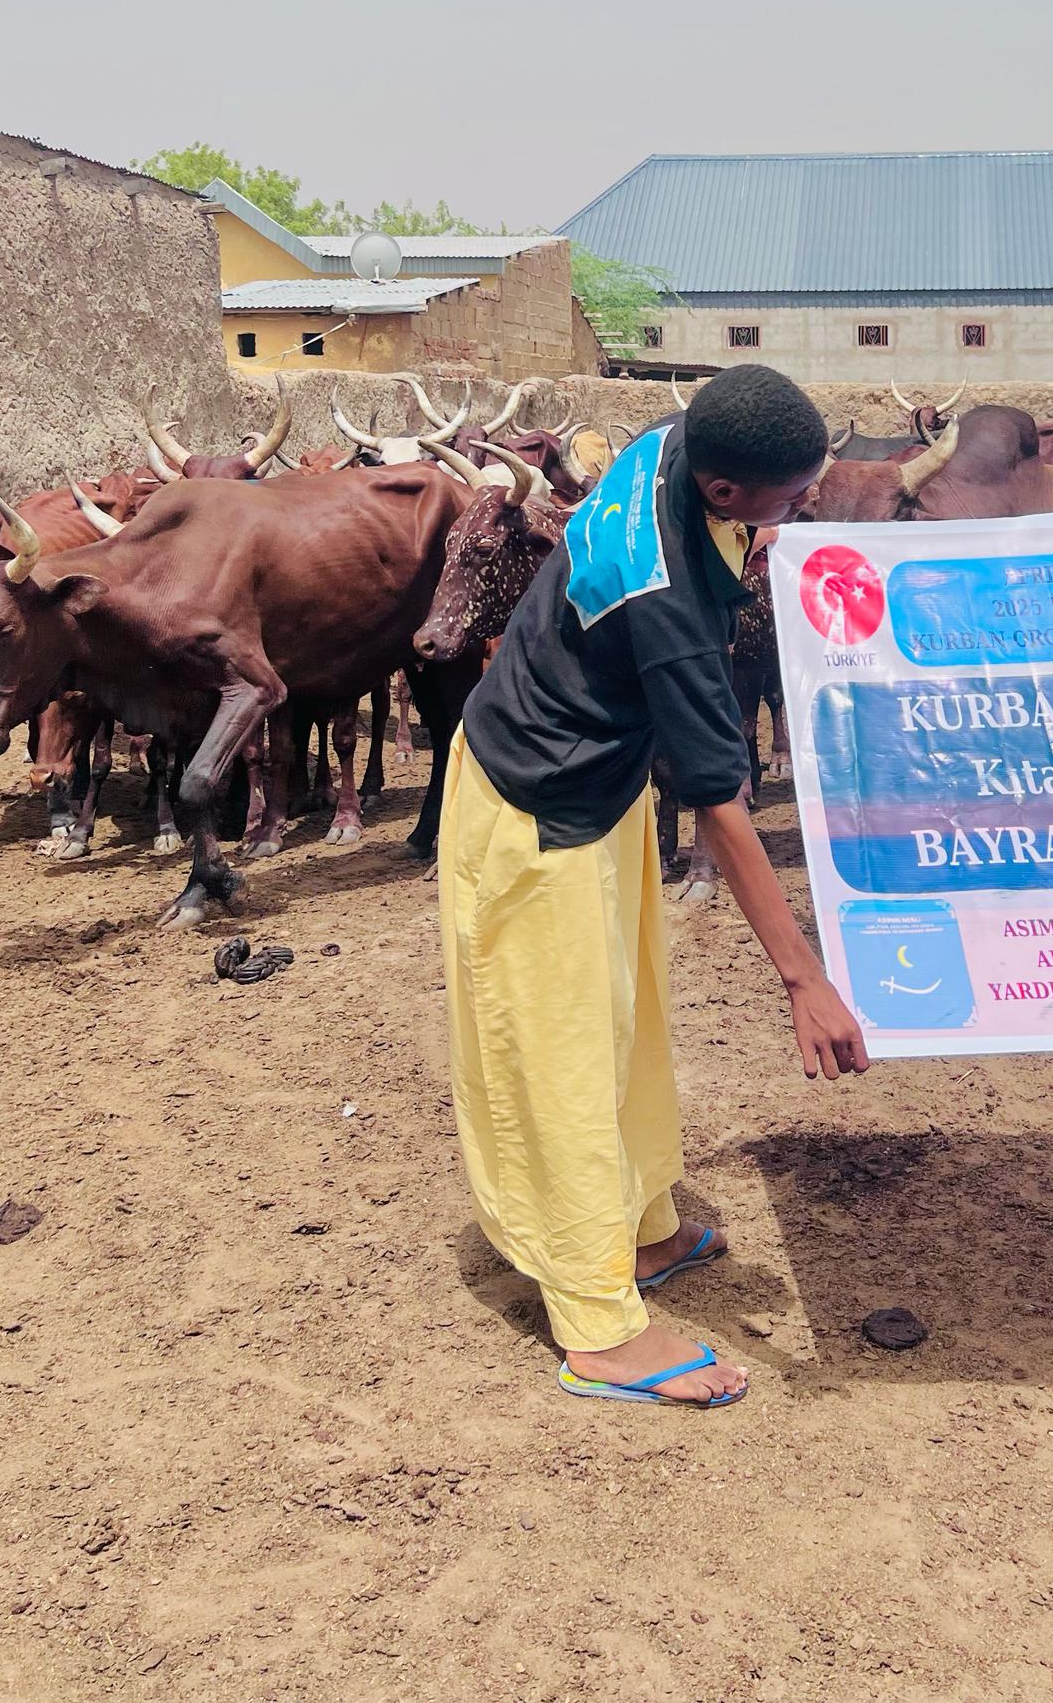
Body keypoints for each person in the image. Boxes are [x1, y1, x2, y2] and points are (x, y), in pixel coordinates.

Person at [440, 363, 869, 1408]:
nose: (803, 507)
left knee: (627, 1020)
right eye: (792, 498)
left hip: (601, 781)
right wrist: (804, 978)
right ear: (723, 492)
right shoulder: (664, 597)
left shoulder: (678, 437)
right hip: (535, 810)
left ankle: (637, 1230)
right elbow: (720, 803)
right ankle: (596, 1325)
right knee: (562, 1057)